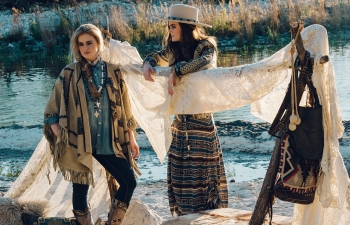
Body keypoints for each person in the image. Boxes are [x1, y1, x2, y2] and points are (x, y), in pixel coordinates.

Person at [43, 24, 140, 225]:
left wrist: (131, 138)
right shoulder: (69, 73)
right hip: (79, 142)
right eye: (80, 44)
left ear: (98, 43)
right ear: (76, 47)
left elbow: (126, 107)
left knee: (129, 182)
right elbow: (51, 112)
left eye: (89, 43)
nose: (85, 48)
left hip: (108, 141)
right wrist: (62, 136)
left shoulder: (114, 72)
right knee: (80, 191)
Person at [142, 4, 228, 216]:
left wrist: (177, 70)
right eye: (168, 27)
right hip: (179, 126)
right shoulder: (173, 48)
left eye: (173, 26)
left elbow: (205, 62)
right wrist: (147, 63)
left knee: (203, 179)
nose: (169, 31)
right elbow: (155, 56)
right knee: (180, 179)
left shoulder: (206, 46)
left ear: (186, 27)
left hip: (202, 124)